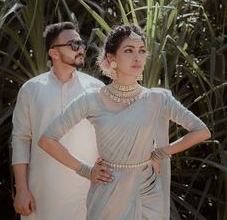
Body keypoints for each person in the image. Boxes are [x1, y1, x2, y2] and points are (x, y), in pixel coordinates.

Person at [38, 24, 211, 220]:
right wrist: (86, 171)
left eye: (142, 51)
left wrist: (161, 152)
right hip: (107, 193)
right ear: (112, 59)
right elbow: (47, 140)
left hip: (147, 193)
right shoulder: (91, 99)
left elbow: (202, 131)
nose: (137, 57)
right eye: (129, 50)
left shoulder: (158, 99)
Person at [11, 21, 105, 220]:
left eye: (81, 44)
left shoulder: (96, 89)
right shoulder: (31, 89)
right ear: (53, 53)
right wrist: (21, 190)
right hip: (42, 196)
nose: (80, 49)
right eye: (73, 45)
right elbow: (20, 139)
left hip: (87, 195)